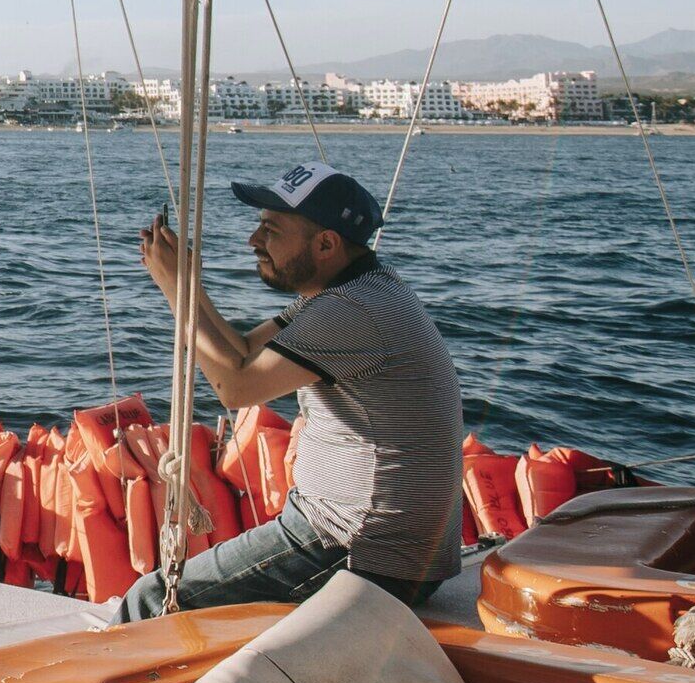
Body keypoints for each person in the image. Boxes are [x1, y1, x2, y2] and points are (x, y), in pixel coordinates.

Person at [121, 161, 466, 620]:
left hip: (362, 552)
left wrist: (175, 287)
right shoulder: (351, 291)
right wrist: (190, 285)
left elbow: (236, 387)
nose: (253, 241)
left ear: (326, 243)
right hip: (382, 545)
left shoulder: (351, 311)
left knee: (148, 600)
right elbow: (242, 351)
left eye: (271, 229)